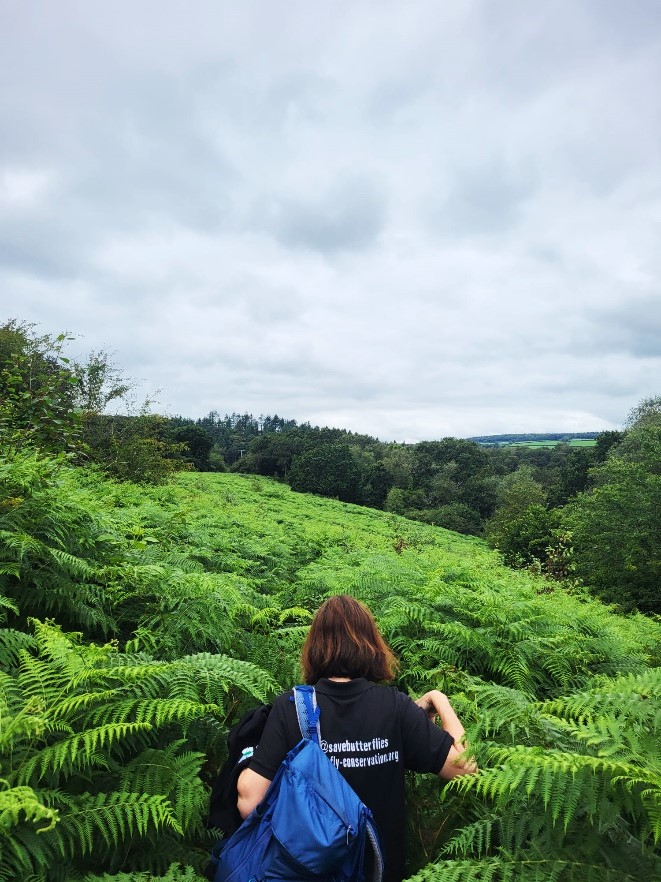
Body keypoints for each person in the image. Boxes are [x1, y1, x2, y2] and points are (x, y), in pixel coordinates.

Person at [237, 594, 477, 882]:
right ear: (371, 644)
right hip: (380, 871)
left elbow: (249, 803)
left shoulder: (292, 708)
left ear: (314, 646)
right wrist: (440, 700)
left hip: (310, 871)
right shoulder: (395, 707)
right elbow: (465, 768)